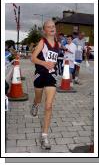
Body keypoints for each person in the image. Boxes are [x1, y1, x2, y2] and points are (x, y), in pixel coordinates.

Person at [31, 19, 59, 150]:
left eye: (53, 26)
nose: (52, 28)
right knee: (38, 99)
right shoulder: (43, 42)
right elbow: (33, 58)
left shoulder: (57, 44)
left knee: (48, 106)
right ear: (45, 30)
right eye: (49, 27)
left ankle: (44, 135)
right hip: (40, 74)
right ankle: (35, 104)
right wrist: (44, 63)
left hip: (51, 76)